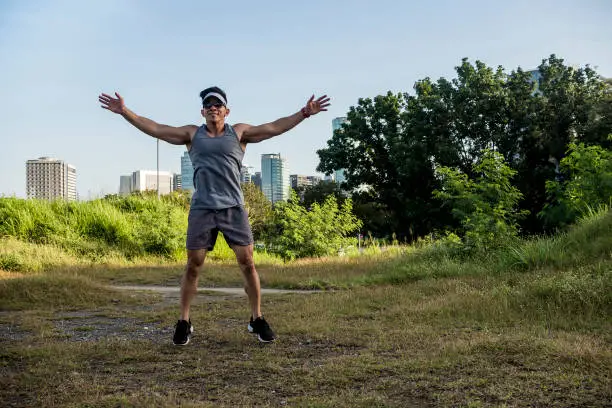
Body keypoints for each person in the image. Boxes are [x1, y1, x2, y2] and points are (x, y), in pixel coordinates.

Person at [98, 87, 330, 345]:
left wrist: (305, 113)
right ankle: (184, 321)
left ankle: (257, 318)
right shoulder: (191, 134)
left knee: (248, 262)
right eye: (208, 105)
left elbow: (274, 127)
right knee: (193, 264)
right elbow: (156, 128)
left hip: (233, 207)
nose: (213, 108)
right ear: (203, 111)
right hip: (202, 208)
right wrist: (125, 112)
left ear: (226, 111)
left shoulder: (239, 132)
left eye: (217, 104)